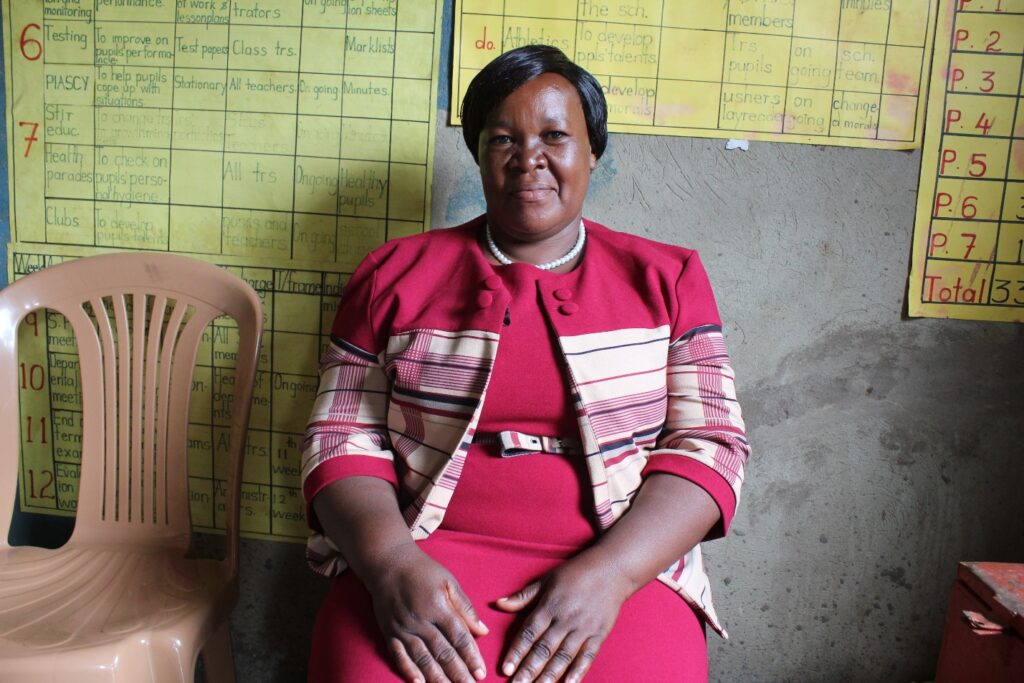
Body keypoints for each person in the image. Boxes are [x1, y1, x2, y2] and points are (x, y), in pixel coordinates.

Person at [301, 45, 750, 682]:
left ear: (593, 151)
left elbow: (711, 443)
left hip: (619, 555)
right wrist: (390, 565)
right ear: (478, 153)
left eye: (555, 136)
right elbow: (339, 434)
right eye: (502, 138)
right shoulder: (393, 274)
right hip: (424, 555)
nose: (528, 159)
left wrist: (612, 576)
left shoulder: (667, 278)